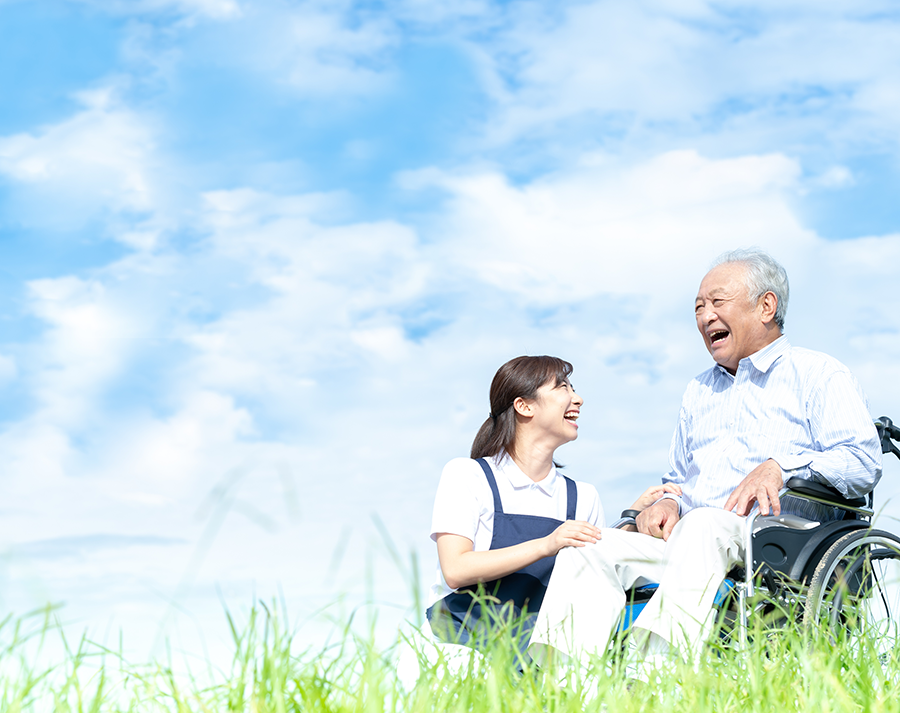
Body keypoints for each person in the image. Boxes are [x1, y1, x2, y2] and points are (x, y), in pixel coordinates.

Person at [529, 248, 883, 667]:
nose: (704, 316)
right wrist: (668, 501)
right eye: (698, 307)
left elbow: (863, 460)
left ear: (766, 306)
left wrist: (780, 467)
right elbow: (677, 477)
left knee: (702, 524)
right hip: (691, 542)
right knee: (586, 545)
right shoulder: (698, 390)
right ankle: (565, 692)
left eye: (717, 302)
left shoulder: (819, 373)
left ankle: (652, 680)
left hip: (777, 540)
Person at [426, 355, 680, 661]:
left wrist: (631, 518)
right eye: (562, 387)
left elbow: (592, 574)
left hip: (535, 659)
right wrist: (546, 544)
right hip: (461, 645)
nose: (578, 398)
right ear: (525, 406)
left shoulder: (583, 497)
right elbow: (455, 569)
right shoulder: (468, 475)